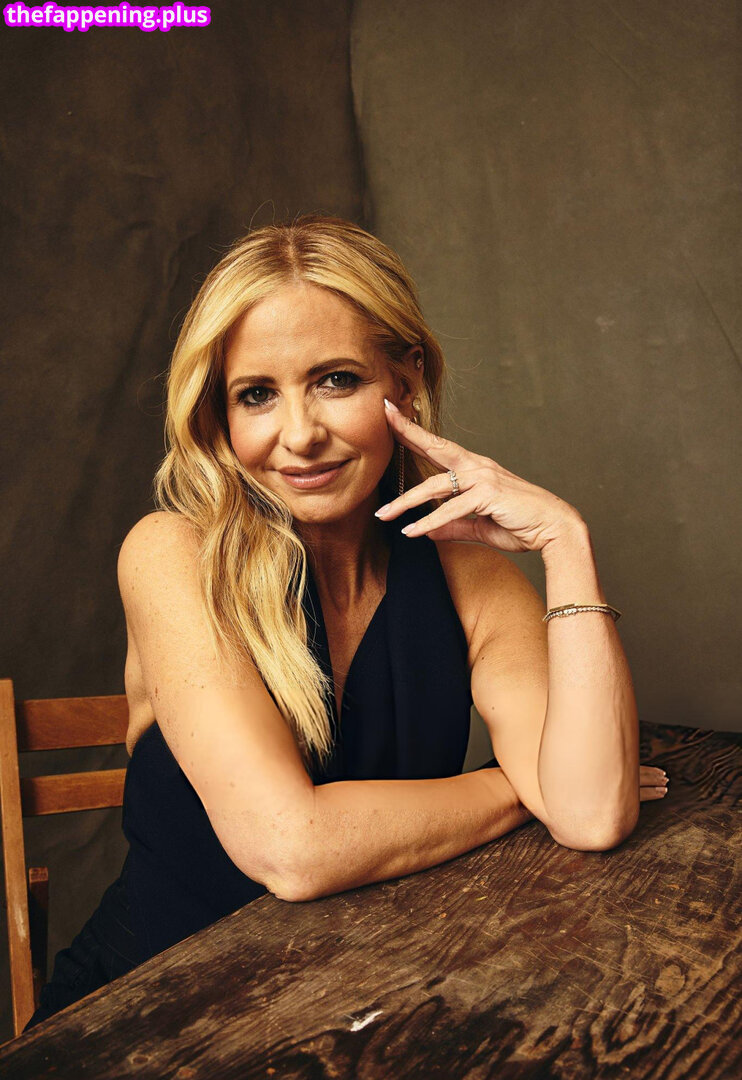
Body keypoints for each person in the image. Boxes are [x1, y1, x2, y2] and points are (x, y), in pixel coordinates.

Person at [23, 214, 668, 1031]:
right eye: (257, 395)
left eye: (335, 380)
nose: (299, 435)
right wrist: (518, 785)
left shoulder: (470, 579)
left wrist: (565, 542)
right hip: (154, 1014)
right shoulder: (174, 554)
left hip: (357, 1003)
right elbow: (291, 849)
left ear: (406, 377)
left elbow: (591, 814)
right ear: (220, 415)